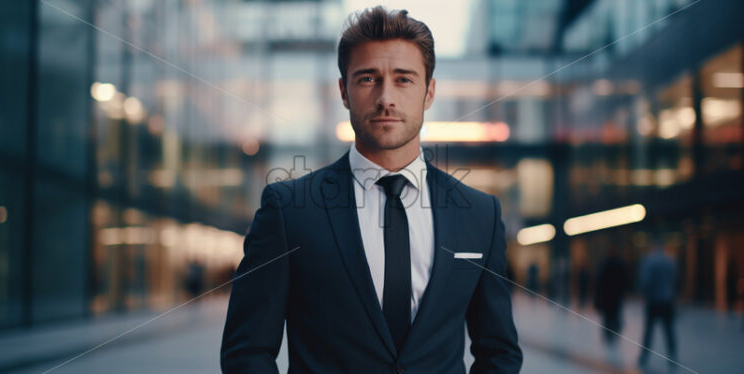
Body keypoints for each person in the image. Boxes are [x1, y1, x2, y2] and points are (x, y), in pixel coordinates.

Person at [220, 6, 522, 373]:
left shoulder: (480, 215)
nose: (386, 98)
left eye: (404, 79)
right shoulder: (289, 211)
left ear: (429, 93)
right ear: (344, 91)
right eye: (368, 79)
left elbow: (500, 351)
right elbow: (246, 352)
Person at [637, 240, 677, 369]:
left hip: (653, 301)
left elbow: (644, 281)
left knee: (649, 331)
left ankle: (644, 356)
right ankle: (672, 356)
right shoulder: (669, 261)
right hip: (667, 300)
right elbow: (674, 279)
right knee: (668, 330)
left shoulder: (649, 261)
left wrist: (646, 292)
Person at [594, 246, 627, 345]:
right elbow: (623, 281)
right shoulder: (619, 264)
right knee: (614, 315)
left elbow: (599, 283)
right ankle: (613, 332)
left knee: (608, 317)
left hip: (607, 296)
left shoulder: (604, 265)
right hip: (615, 296)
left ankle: (608, 334)